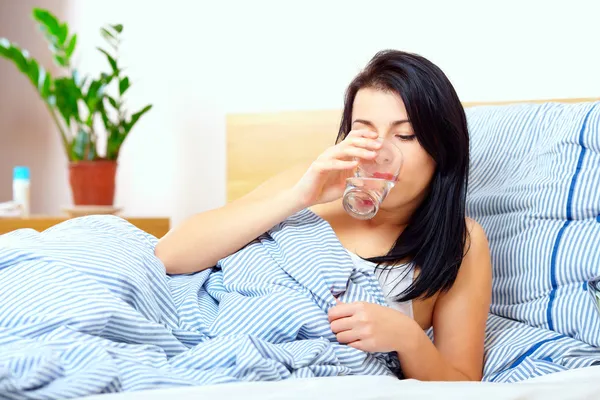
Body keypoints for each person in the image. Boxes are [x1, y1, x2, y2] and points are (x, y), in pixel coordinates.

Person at [155, 49, 492, 382]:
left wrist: (408, 339)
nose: (379, 153)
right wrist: (299, 196)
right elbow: (168, 256)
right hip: (195, 327)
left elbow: (462, 382)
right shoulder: (308, 184)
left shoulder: (460, 241)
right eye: (363, 133)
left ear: (443, 146)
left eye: (405, 135)